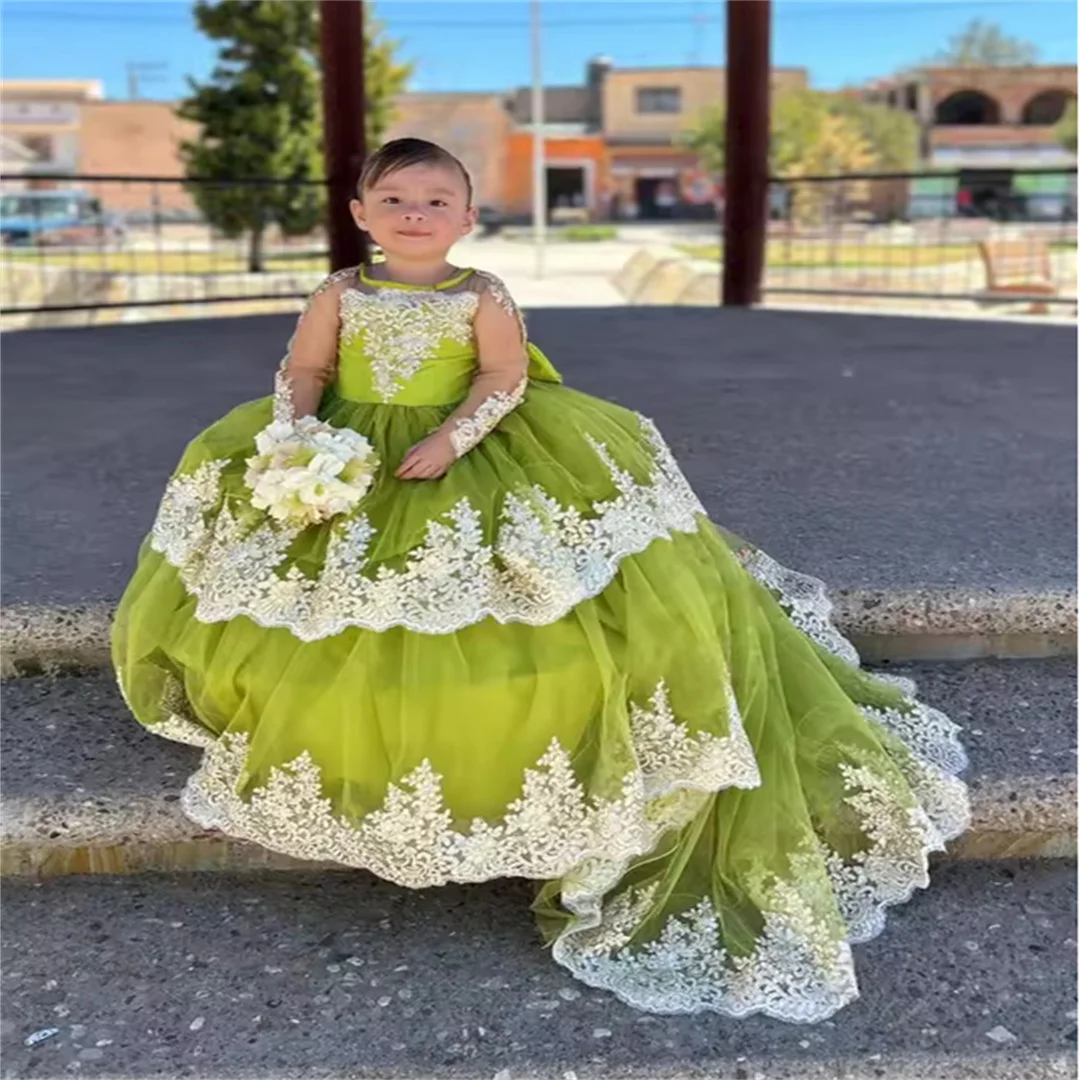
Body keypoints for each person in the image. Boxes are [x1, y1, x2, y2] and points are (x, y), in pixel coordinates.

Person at [113, 138, 969, 1023]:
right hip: (346, 447)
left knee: (509, 582)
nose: (416, 212)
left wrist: (452, 440)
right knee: (329, 590)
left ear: (468, 219)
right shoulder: (339, 291)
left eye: (437, 200)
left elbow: (503, 374)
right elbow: (309, 367)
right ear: (361, 214)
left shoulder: (482, 294)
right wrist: (296, 435)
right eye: (395, 198)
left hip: (463, 449)